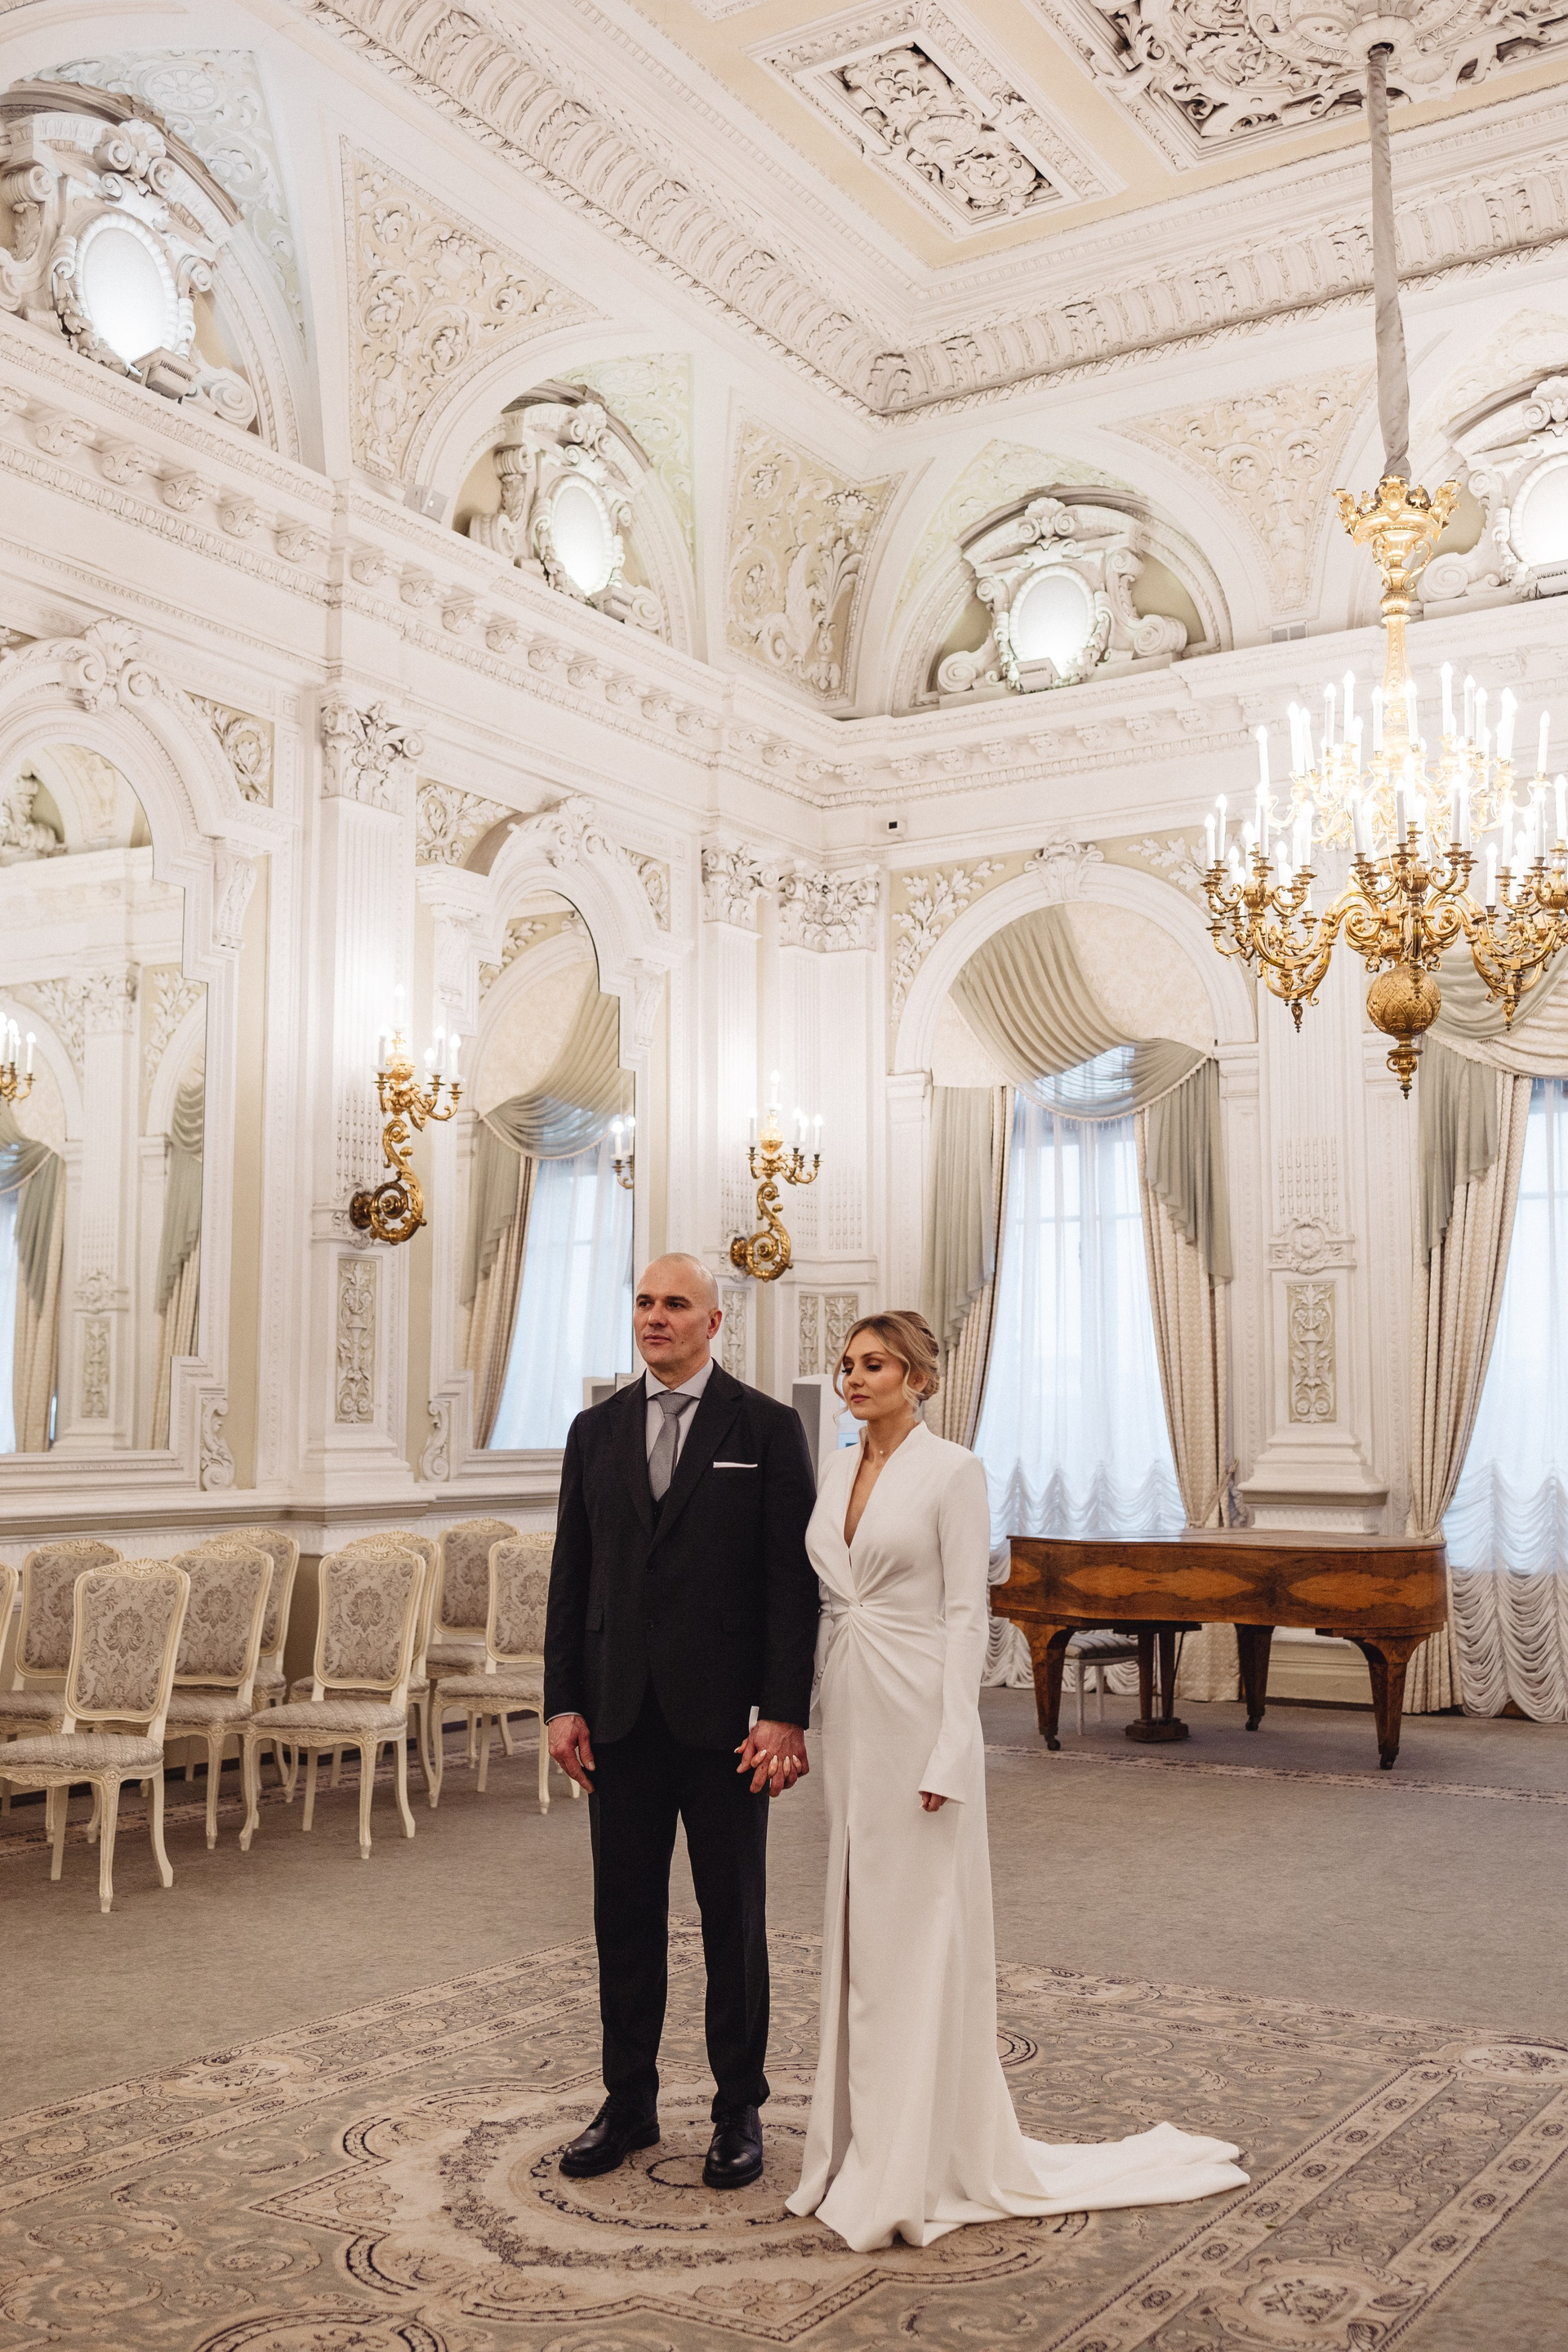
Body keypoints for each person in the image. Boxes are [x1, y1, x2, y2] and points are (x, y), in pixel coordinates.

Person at [786, 1308, 1249, 2253]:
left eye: (875, 1365)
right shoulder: (834, 1469)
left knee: (915, 1932)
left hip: (919, 1711)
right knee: (859, 1925)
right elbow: (824, 1598)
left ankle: (917, 2160)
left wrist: (953, 1746)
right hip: (852, 1708)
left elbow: (968, 1615)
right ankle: (860, 2150)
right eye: (846, 1366)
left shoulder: (954, 1471)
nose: (854, 1380)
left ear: (920, 1378)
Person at [545, 1253, 819, 2190]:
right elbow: (572, 1575)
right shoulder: (594, 1431)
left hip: (727, 1726)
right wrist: (562, 1702)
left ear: (713, 1322)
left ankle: (739, 2107)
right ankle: (628, 2103)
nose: (654, 1317)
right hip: (617, 1719)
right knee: (623, 1919)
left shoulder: (767, 1429)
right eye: (644, 1303)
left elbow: (791, 1584)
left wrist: (785, 1713)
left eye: (674, 1304)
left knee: (731, 1920)